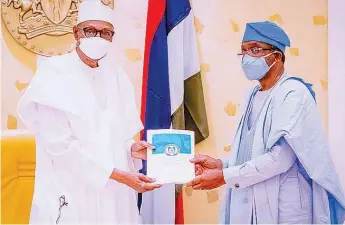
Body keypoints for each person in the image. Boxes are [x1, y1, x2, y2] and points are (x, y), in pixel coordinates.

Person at [16, 0, 161, 223]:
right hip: (71, 191)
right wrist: (119, 176)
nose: (98, 37)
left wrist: (132, 149)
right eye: (90, 30)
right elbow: (60, 148)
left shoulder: (116, 74)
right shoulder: (53, 74)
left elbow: (115, 135)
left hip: (114, 195)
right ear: (76, 33)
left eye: (106, 33)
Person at [187, 21, 345, 224]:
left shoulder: (293, 93)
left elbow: (280, 159)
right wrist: (221, 164)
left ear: (277, 56)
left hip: (286, 209)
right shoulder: (251, 95)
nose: (246, 57)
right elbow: (251, 152)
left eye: (255, 49)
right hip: (250, 200)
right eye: (243, 51)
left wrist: (224, 175)